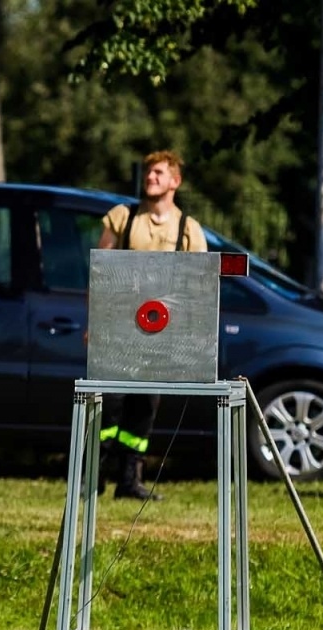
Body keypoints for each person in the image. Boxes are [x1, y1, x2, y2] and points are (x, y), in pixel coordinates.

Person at [96, 150, 210, 501]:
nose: (151, 178)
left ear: (175, 181)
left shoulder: (188, 228)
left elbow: (201, 285)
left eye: (159, 173)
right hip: (118, 328)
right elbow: (100, 272)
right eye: (148, 172)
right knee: (109, 403)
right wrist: (95, 322)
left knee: (145, 405)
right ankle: (94, 474)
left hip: (160, 334)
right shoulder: (122, 217)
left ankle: (130, 480)